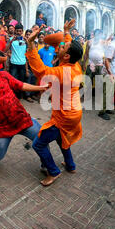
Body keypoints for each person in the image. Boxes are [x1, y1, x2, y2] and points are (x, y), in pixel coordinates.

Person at [26, 20, 83, 187]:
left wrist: (30, 44)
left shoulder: (62, 72)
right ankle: (70, 165)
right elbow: (69, 43)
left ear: (66, 56)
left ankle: (53, 171)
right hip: (73, 113)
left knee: (38, 144)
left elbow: (42, 71)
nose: (59, 46)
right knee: (61, 138)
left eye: (63, 47)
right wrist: (66, 31)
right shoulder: (75, 64)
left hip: (64, 116)